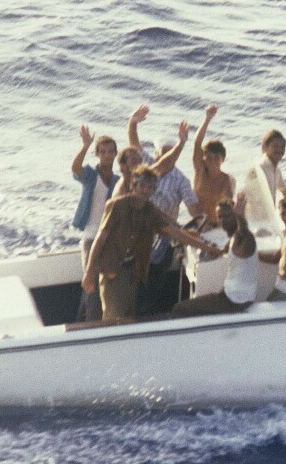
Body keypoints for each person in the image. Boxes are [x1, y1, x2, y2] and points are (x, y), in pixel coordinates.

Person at [81, 166, 223, 322]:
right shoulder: (116, 205)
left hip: (134, 270)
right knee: (113, 318)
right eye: (142, 186)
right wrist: (89, 272)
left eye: (150, 187)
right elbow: (100, 238)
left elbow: (175, 233)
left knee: (128, 316)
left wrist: (207, 248)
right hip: (113, 271)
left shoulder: (150, 210)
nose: (145, 190)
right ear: (133, 186)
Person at [128, 104, 203, 315]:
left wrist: (201, 225)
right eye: (163, 153)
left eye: (171, 153)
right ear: (157, 153)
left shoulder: (181, 180)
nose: (166, 157)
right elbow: (133, 144)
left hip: (165, 235)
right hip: (140, 231)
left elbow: (194, 208)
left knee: (155, 281)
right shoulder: (148, 165)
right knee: (135, 279)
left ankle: (148, 312)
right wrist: (133, 122)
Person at [71, 127, 118, 321]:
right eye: (103, 152)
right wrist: (85, 146)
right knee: (90, 284)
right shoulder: (90, 175)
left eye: (110, 152)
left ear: (116, 153)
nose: (107, 156)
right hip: (91, 238)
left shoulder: (118, 181)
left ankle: (88, 321)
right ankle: (90, 325)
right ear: (97, 154)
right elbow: (75, 169)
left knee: (107, 285)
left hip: (109, 240)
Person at [171, 214, 258, 316]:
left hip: (235, 300)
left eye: (221, 217)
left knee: (179, 309)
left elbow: (244, 238)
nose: (218, 221)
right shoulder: (235, 239)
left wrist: (238, 214)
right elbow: (222, 250)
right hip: (231, 295)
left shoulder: (246, 241)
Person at [192, 104, 236, 223]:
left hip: (215, 226)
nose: (212, 160)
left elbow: (228, 199)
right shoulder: (200, 170)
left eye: (217, 157)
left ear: (223, 159)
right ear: (204, 158)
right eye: (209, 157)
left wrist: (229, 202)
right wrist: (207, 119)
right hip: (196, 222)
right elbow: (197, 143)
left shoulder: (225, 179)